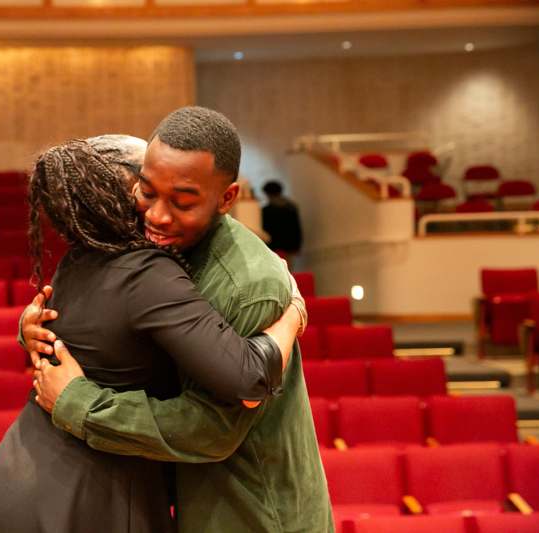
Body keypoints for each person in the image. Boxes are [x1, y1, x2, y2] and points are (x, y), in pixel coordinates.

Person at [0, 138, 301, 533]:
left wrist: (25, 330)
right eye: (149, 185)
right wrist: (294, 311)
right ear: (123, 193)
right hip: (86, 498)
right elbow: (249, 378)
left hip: (15, 479)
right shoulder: (146, 272)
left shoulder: (79, 258)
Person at [28, 107, 333, 533]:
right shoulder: (157, 248)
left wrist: (78, 404)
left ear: (228, 199)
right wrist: (36, 332)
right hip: (195, 504)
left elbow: (213, 429)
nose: (156, 215)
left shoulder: (248, 285)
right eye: (147, 192)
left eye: (182, 202)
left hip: (253, 517)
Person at [262, 180, 304, 256]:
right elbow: (296, 228)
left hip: (274, 247)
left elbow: (265, 230)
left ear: (268, 194)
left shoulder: (266, 210)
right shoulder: (291, 207)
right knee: (288, 267)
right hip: (290, 246)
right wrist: (297, 246)